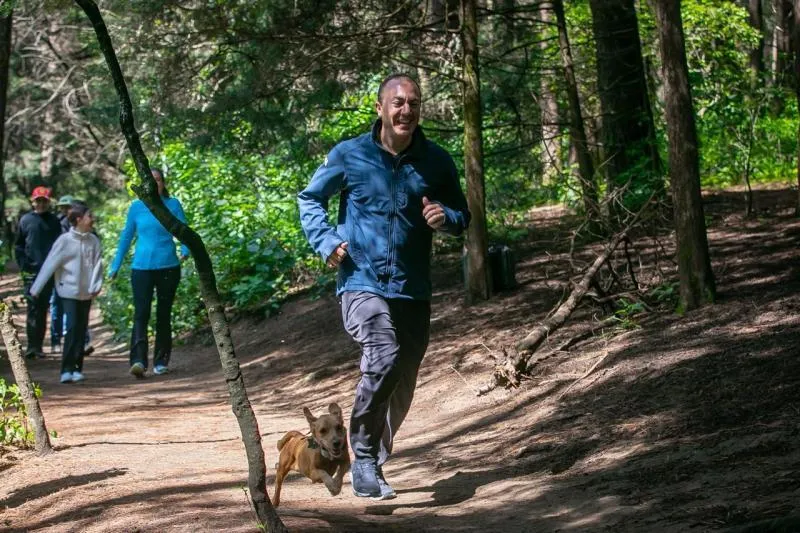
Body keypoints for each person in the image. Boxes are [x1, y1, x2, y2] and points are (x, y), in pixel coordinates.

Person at [298, 74, 471, 500]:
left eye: (413, 103)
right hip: (361, 280)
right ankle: (361, 457)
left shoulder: (436, 160)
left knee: (403, 378)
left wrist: (445, 217)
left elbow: (461, 214)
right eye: (398, 102)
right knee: (383, 352)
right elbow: (309, 198)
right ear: (380, 108)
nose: (406, 110)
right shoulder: (350, 154)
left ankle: (373, 456)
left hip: (412, 287)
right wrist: (326, 242)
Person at [109, 169, 189, 378]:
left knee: (163, 314)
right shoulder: (136, 207)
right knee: (141, 313)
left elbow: (183, 229)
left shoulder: (173, 204)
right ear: (144, 184)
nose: (154, 184)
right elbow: (126, 237)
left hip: (168, 267)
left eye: (158, 180)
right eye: (150, 181)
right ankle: (138, 361)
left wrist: (185, 249)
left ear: (163, 183)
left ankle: (161, 362)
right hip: (141, 268)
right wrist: (115, 266)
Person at [29, 201, 102, 383]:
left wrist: (96, 285)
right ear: (79, 219)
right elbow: (50, 264)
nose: (92, 219)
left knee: (81, 329)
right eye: (89, 216)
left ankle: (77, 368)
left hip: (86, 292)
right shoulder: (64, 241)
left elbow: (97, 265)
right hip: (68, 292)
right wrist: (36, 289)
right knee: (71, 327)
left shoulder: (93, 241)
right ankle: (66, 370)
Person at [15, 186, 62, 359]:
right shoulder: (25, 220)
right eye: (38, 201)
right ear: (33, 202)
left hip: (48, 271)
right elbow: (18, 245)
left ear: (48, 203)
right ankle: (31, 347)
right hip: (30, 272)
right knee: (32, 307)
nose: (41, 204)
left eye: (44, 201)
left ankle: (39, 346)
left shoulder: (54, 221)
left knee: (42, 308)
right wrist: (23, 265)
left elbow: (60, 245)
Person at [49, 194, 75, 354]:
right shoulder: (55, 222)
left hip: (73, 270)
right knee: (56, 305)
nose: (65, 210)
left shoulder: (79, 222)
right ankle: (55, 340)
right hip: (58, 269)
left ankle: (74, 340)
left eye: (68, 207)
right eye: (63, 207)